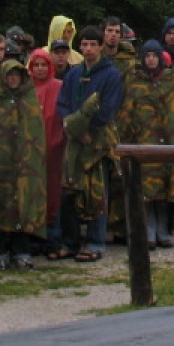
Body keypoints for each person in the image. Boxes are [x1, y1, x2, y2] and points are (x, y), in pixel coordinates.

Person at [55, 26, 124, 262]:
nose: (88, 49)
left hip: (98, 142)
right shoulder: (73, 74)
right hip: (74, 142)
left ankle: (95, 243)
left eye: (93, 45)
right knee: (69, 193)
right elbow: (63, 104)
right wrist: (74, 128)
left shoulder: (111, 75)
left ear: (101, 47)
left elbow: (107, 110)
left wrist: (86, 130)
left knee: (96, 193)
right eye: (84, 45)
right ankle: (70, 242)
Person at [117, 38, 174, 248]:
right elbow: (128, 114)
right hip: (144, 142)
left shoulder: (172, 80)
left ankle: (163, 229)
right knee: (146, 190)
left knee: (166, 187)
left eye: (154, 56)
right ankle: (148, 229)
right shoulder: (135, 82)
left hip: (168, 143)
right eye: (147, 56)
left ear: (160, 58)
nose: (150, 60)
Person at [0, 58, 47, 269]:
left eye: (17, 75)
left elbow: (36, 130)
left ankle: (21, 251)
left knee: (23, 206)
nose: (13, 79)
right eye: (9, 75)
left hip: (26, 163)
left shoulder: (28, 99)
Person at [27, 46, 70, 260]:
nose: (41, 69)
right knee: (33, 193)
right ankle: (34, 239)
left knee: (54, 194)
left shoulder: (60, 86)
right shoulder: (26, 89)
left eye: (44, 64)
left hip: (55, 148)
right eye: (37, 65)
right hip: (31, 151)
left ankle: (53, 239)